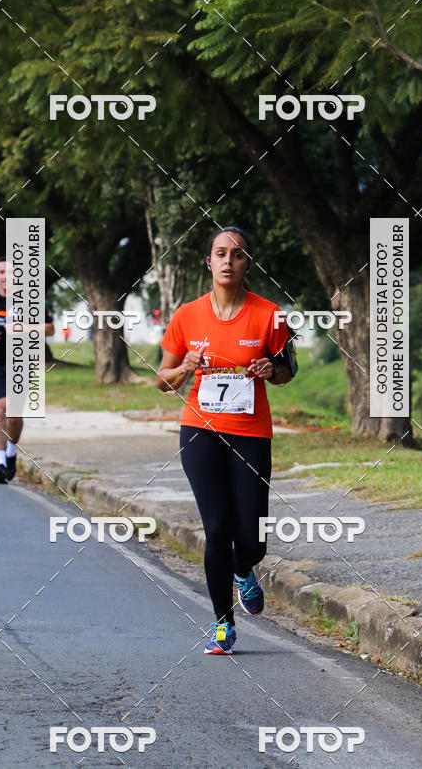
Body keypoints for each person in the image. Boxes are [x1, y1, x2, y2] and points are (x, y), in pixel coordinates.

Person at [157, 226, 297, 655]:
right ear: (209, 261)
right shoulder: (186, 316)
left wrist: (270, 371)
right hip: (200, 431)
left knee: (252, 539)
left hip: (251, 432)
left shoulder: (269, 314)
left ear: (246, 263)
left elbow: (289, 370)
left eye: (237, 255)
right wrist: (186, 369)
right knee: (216, 529)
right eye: (220, 253)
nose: (227, 261)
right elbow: (163, 380)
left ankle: (243, 570)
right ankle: (222, 624)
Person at [0, 257, 54, 485]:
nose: (7, 277)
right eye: (3, 272)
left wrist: (24, 328)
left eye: (13, 273)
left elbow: (49, 328)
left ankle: (12, 451)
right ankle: (0, 465)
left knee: (15, 415)